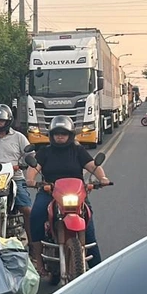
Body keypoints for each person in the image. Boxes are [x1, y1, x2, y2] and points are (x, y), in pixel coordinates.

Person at [24, 116, 111, 275]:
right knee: (36, 214)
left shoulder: (78, 151)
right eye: (57, 133)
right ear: (51, 135)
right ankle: (39, 259)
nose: (60, 136)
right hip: (50, 192)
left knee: (88, 224)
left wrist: (102, 178)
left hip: (75, 194)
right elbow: (34, 167)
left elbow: (93, 166)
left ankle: (99, 270)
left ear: (70, 135)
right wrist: (30, 180)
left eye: (63, 133)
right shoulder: (45, 151)